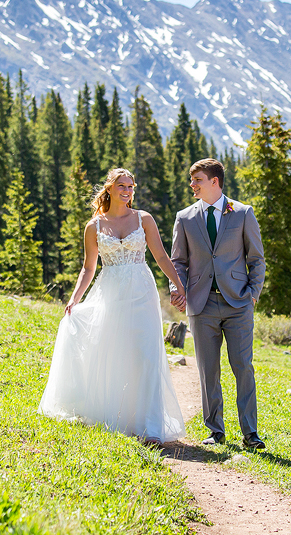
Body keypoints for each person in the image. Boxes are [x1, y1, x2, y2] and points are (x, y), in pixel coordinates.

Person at [38, 168, 187, 444]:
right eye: (121, 185)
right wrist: (74, 299)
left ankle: (149, 426)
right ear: (110, 188)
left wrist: (178, 285)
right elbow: (88, 267)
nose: (127, 190)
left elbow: (162, 256)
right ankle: (118, 417)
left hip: (142, 291)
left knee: (145, 354)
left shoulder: (144, 219)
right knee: (114, 353)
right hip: (110, 293)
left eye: (131, 186)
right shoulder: (94, 226)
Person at [170, 158, 266, 450]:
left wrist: (252, 293)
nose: (192, 185)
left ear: (215, 182)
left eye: (197, 179)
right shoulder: (185, 217)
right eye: (191, 179)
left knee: (243, 367)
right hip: (202, 305)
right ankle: (215, 431)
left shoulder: (242, 213)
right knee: (208, 370)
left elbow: (256, 259)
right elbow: (178, 261)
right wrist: (178, 287)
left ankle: (250, 433)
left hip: (238, 303)